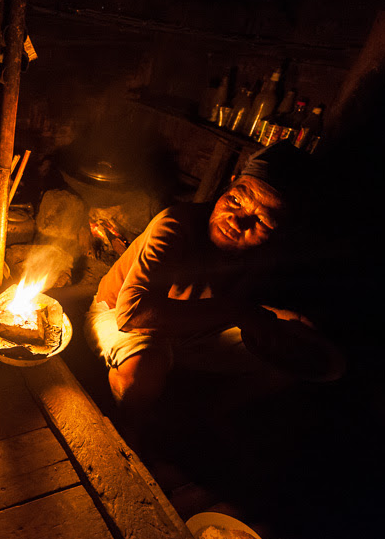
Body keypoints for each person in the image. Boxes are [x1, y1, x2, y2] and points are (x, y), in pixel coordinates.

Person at [85, 142, 342, 432]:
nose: (237, 221)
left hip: (192, 329)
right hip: (119, 314)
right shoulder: (175, 224)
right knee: (142, 372)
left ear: (284, 230)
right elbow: (135, 314)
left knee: (292, 354)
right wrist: (238, 312)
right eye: (235, 201)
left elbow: (241, 307)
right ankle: (129, 432)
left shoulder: (270, 251)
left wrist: (287, 320)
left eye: (262, 221)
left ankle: (202, 421)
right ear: (230, 185)